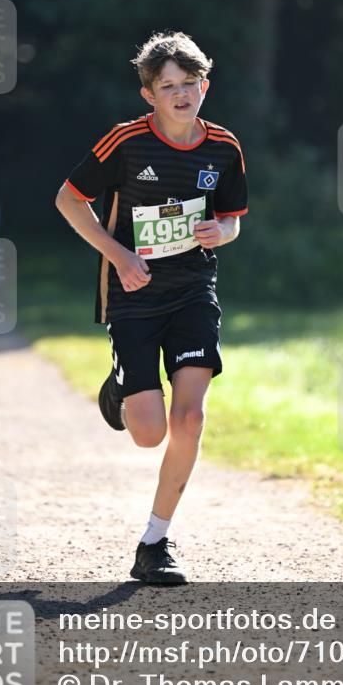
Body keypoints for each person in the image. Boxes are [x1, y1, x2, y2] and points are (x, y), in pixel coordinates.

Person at [55, 31, 248, 585]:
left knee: (188, 419)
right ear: (149, 95)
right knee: (147, 432)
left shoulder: (224, 148)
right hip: (134, 295)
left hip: (193, 290)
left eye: (190, 84)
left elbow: (232, 218)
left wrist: (222, 231)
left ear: (204, 86)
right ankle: (119, 390)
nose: (182, 95)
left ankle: (154, 543)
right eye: (169, 87)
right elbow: (69, 198)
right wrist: (117, 256)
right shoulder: (125, 142)